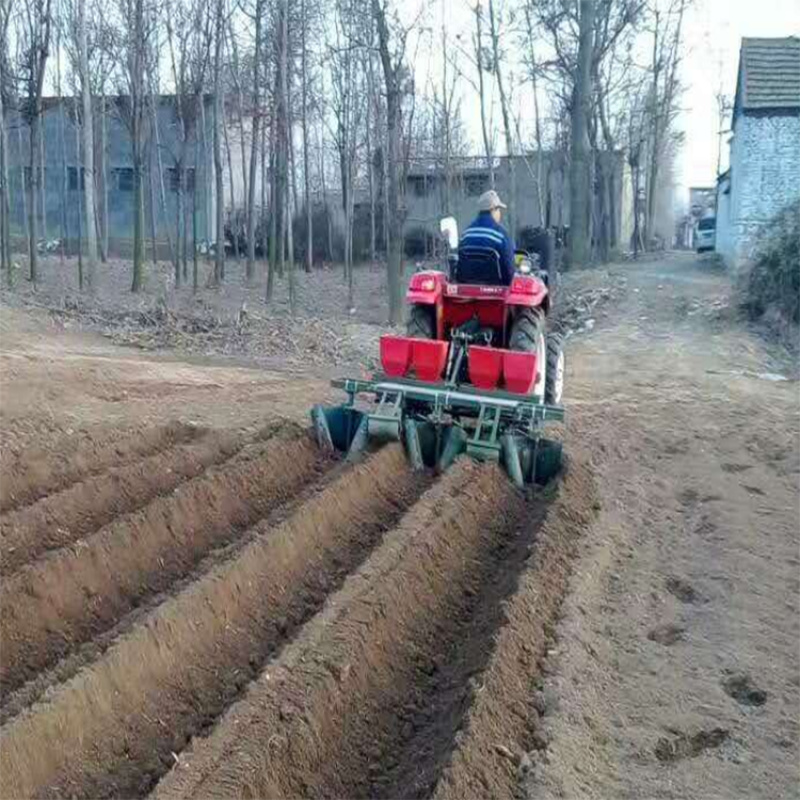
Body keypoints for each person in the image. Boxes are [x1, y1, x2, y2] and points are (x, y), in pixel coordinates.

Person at [458, 189, 516, 285]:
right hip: (496, 295)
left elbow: (459, 268)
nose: (500, 214)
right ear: (494, 209)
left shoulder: (465, 235)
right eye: (499, 210)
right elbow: (509, 274)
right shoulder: (501, 236)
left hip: (467, 292)